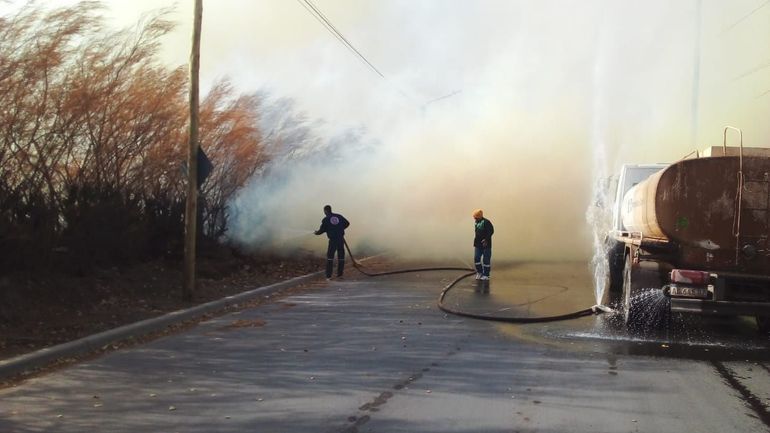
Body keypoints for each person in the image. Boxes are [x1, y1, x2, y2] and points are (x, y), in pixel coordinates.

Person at [314, 205, 350, 279]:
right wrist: (340, 229)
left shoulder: (326, 219)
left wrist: (316, 233)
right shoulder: (339, 216)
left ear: (325, 211)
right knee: (341, 257)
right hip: (340, 239)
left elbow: (322, 230)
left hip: (333, 240)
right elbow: (347, 223)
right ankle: (340, 275)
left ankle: (328, 276)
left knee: (330, 258)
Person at [472, 209, 494, 280]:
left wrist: (486, 239)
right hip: (478, 244)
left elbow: (491, 231)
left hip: (486, 245)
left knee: (486, 260)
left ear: (480, 216)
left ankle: (486, 275)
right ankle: (479, 272)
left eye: (476, 217)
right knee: (476, 258)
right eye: (474, 217)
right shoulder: (476, 222)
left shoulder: (486, 222)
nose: (474, 218)